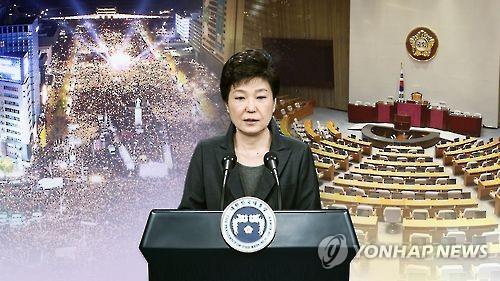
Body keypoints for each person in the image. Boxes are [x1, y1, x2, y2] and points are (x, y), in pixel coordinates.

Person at [178, 49, 320, 210]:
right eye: (240, 98)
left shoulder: (298, 154)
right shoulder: (206, 153)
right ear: (226, 104)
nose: (250, 108)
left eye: (260, 97)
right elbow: (188, 221)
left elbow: (312, 224)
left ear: (274, 103)